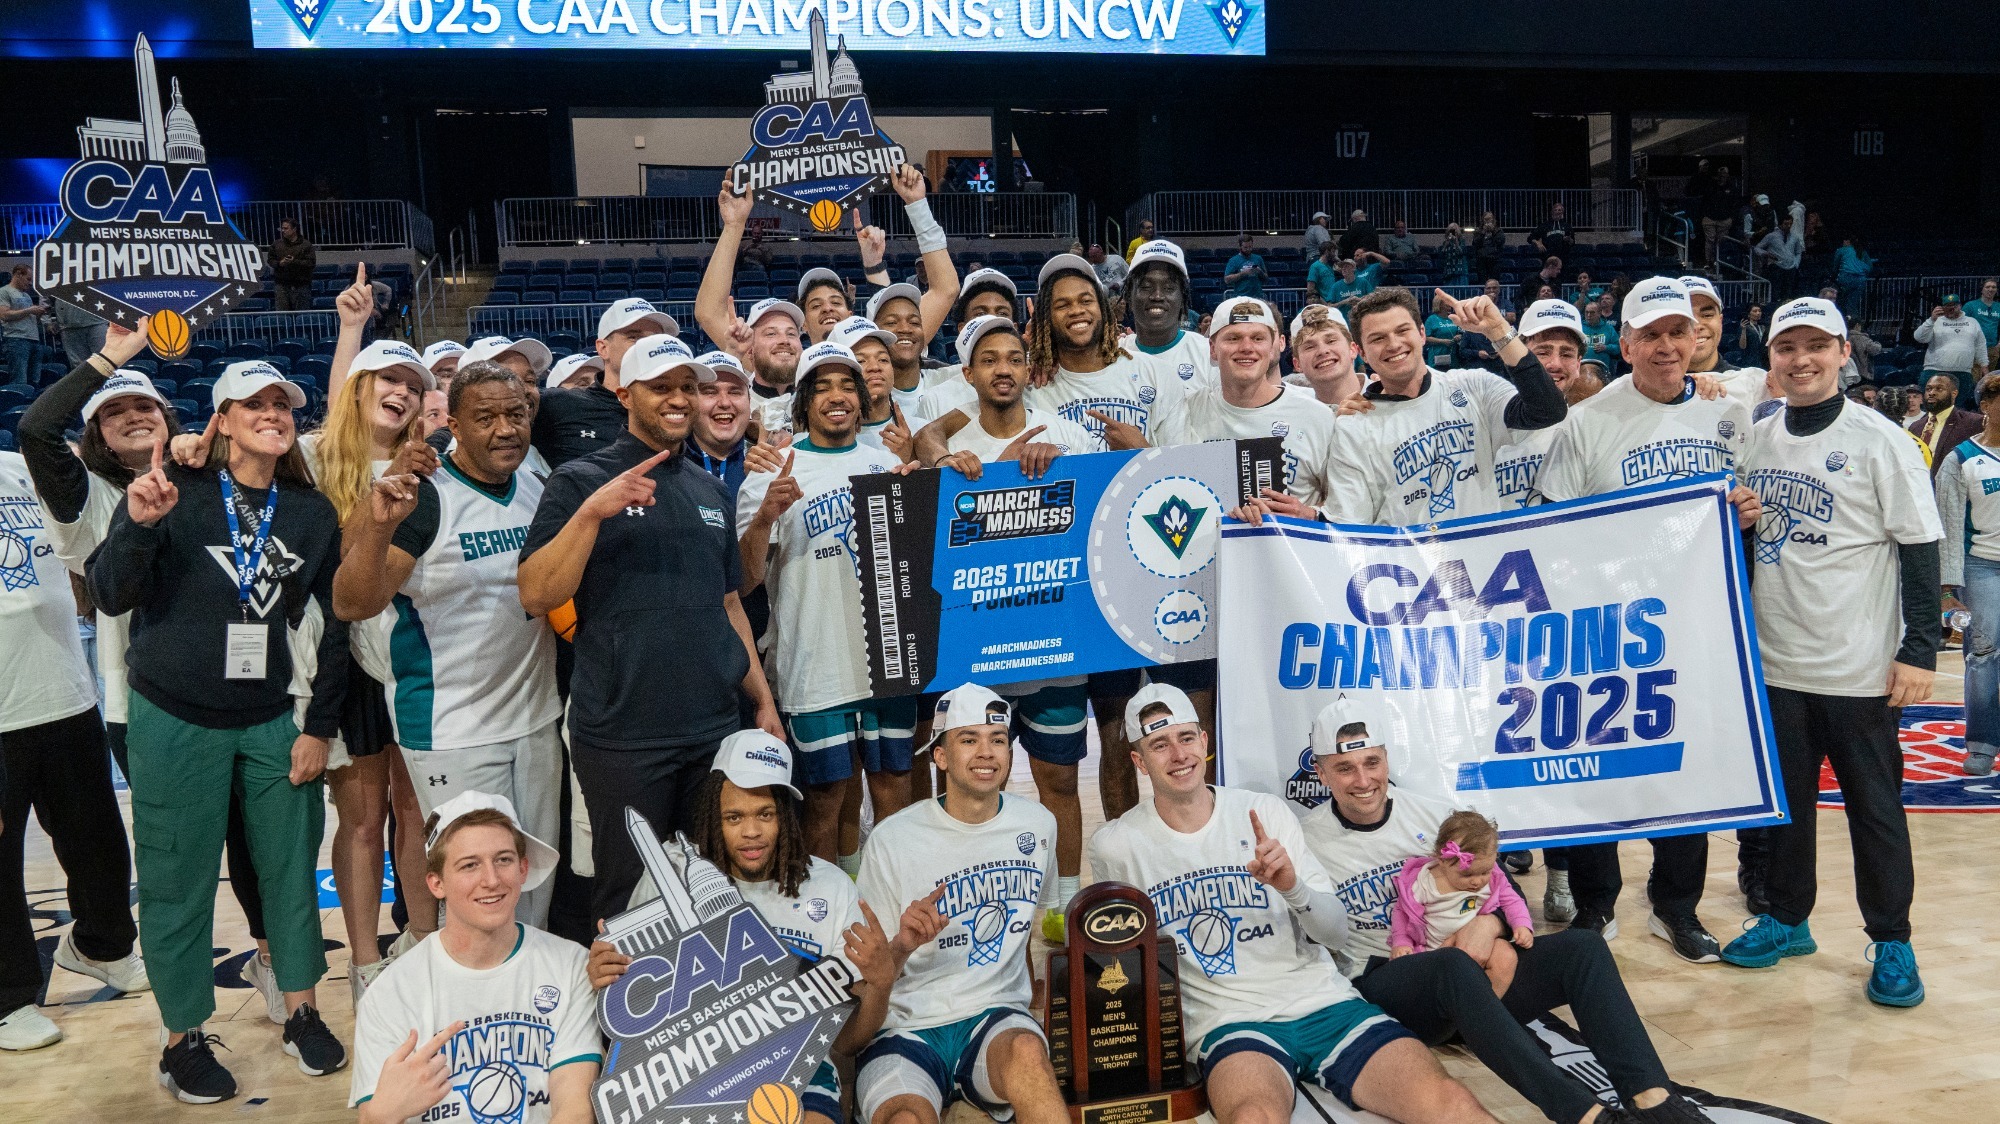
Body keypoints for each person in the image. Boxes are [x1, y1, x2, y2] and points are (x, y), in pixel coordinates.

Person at [87, 359, 349, 1101]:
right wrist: (138, 526)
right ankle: (182, 1040)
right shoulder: (174, 489)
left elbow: (336, 628)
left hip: (271, 718)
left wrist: (318, 725)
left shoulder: (310, 511)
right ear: (221, 420)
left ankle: (302, 1012)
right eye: (253, 403)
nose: (272, 412)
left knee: (291, 873)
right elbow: (109, 593)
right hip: (172, 715)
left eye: (282, 403)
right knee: (177, 882)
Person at [1089, 685, 1498, 1124]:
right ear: (1138, 761)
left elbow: (1336, 934)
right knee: (1252, 1117)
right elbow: (1124, 969)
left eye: (1187, 738)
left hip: (1327, 1004)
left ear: (1204, 742)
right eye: (1159, 744)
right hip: (1231, 1024)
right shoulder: (1115, 846)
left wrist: (1292, 887)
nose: (1178, 754)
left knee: (1452, 1103)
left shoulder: (1265, 811)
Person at [1299, 698, 1717, 1124]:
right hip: (1388, 984)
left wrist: (1491, 922)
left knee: (1583, 948)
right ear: (1320, 771)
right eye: (1345, 768)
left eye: (1372, 762)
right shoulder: (1306, 838)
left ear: (1387, 759)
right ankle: (1586, 1116)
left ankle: (1655, 1099)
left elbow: (1503, 887)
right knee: (1452, 965)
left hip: (1479, 979)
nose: (1363, 779)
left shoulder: (1431, 814)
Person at [1531, 276, 1760, 963]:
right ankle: (1597, 902)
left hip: (1699, 626)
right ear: (1624, 342)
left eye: (1677, 332)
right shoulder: (1591, 420)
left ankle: (1675, 906)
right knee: (1602, 767)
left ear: (1697, 339)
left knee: (1686, 768)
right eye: (1650, 335)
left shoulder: (1730, 414)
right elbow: (1549, 522)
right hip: (1613, 628)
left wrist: (1746, 514)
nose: (1665, 346)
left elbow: (1748, 507)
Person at [518, 334, 781, 924]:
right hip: (623, 733)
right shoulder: (580, 481)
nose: (680, 399)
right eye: (661, 387)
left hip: (711, 726)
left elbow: (729, 603)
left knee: (713, 887)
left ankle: (707, 1011)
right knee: (629, 895)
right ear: (623, 393)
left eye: (688, 387)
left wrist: (761, 701)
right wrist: (591, 514)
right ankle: (619, 1018)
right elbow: (537, 593)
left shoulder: (710, 490)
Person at [1728, 297, 1939, 1009]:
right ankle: (1788, 921)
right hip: (1776, 660)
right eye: (1787, 348)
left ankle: (1892, 938)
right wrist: (1746, 528)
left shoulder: (1881, 439)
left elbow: (1918, 548)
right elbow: (1757, 544)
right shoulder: (1758, 436)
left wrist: (1919, 649)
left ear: (1845, 354)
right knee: (1786, 809)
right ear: (1772, 359)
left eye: (1817, 346)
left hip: (1859, 668)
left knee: (1874, 811)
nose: (1801, 360)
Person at [331, 361, 563, 932]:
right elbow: (352, 603)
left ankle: (526, 1009)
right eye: (485, 418)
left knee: (534, 885)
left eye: (515, 414)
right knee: (479, 895)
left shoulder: (538, 483)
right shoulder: (427, 499)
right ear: (452, 425)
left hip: (536, 718)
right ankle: (469, 1011)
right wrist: (380, 526)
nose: (505, 429)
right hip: (451, 725)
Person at [587, 732, 900, 1124]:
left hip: (800, 1070)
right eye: (734, 817)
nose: (750, 832)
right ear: (712, 818)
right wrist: (606, 979)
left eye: (764, 814)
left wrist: (881, 984)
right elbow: (633, 1023)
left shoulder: (832, 887)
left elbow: (845, 1043)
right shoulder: (666, 882)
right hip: (693, 1076)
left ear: (784, 815)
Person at [919, 317, 1099, 920]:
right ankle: (961, 900)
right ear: (967, 373)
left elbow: (1102, 508)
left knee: (1061, 786)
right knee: (965, 790)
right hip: (976, 656)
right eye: (988, 359)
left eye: (1013, 358)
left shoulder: (1067, 435)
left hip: (1053, 650)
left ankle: (1065, 908)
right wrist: (944, 464)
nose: (1002, 368)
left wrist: (1062, 467)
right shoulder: (951, 447)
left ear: (1029, 368)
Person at [853, 683, 1066, 1124]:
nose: (986, 753)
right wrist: (904, 944)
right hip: (905, 1027)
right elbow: (864, 980)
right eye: (968, 740)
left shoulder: (1039, 826)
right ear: (941, 756)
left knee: (1029, 1054)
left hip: (994, 1021)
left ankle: (979, 1098)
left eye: (998, 740)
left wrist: (1026, 1003)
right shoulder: (892, 840)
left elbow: (1021, 933)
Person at [0, 436, 150, 1053]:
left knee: (97, 843)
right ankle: (8, 998)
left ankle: (101, 946)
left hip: (64, 691)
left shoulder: (20, 467)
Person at [737, 341, 910, 867]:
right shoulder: (772, 471)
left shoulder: (889, 464)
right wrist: (766, 515)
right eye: (822, 387)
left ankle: (883, 905)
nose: (837, 397)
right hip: (814, 668)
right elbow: (743, 582)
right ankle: (826, 920)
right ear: (804, 402)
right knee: (823, 804)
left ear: (862, 398)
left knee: (893, 798)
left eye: (847, 386)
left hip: (889, 661)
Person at [349, 792, 599, 1124]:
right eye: (470, 865)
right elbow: (373, 1118)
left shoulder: (570, 966)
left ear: (523, 869)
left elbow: (575, 1111)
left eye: (504, 860)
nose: (491, 880)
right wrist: (383, 1114)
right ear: (436, 883)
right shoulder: (389, 994)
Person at [1323, 287, 1567, 526]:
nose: (1394, 344)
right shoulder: (1354, 426)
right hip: (1407, 565)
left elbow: (1548, 411)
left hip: (1485, 560)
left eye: (1402, 331)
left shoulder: (1475, 386)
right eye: (1378, 338)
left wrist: (1499, 331)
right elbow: (1350, 528)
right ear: (1363, 353)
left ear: (1421, 333)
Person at [1388, 813, 1533, 999]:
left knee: (1506, 956)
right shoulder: (1423, 882)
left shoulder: (1494, 878)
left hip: (1484, 946)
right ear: (1442, 860)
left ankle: (1487, 1006)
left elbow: (1512, 900)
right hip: (1434, 951)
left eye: (1485, 872)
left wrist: (1521, 925)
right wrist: (1402, 942)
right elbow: (1402, 913)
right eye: (1467, 875)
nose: (1477, 881)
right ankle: (1458, 1010)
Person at [1936, 376, 2000, 777]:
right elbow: (1945, 526)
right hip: (1982, 566)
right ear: (1987, 405)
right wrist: (1946, 589)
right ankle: (1982, 744)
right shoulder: (1960, 459)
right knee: (1984, 654)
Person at [533, 297, 681, 468]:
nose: (648, 348)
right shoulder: (558, 404)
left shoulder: (677, 410)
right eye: (634, 337)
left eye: (655, 341)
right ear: (603, 348)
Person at [1490, 300, 1598, 517]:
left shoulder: (1592, 432)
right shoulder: (1488, 420)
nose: (1554, 364)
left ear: (1578, 365)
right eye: (1543, 352)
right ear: (1514, 354)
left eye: (1566, 354)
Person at [1123, 239, 1214, 400]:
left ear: (1182, 297)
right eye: (1145, 286)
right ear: (1129, 295)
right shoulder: (1112, 355)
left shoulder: (1208, 355)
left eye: (1169, 288)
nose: (1157, 296)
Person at [686, 349, 755, 496]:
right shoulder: (667, 461)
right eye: (710, 391)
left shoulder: (767, 464)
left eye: (735, 392)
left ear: (749, 401)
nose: (724, 403)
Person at [1914, 293, 1988, 410]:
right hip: (1934, 371)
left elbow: (1980, 345)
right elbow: (1919, 338)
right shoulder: (1934, 321)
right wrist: (1931, 320)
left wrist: (1984, 366)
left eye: (1954, 305)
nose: (1951, 308)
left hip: (1962, 372)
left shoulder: (1972, 322)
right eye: (1948, 305)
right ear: (1942, 307)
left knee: (1957, 409)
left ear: (1960, 306)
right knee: (1931, 407)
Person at [1909, 372, 1982, 477]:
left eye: (1939, 389)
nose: (1932, 393)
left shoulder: (1972, 422)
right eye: (1928, 389)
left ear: (1954, 393)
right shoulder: (1915, 427)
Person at [1288, 304, 1362, 406]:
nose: (1322, 351)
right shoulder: (1295, 413)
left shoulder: (1388, 395)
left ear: (1353, 349)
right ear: (1297, 364)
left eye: (1331, 341)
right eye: (1309, 347)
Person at [1, 264, 47, 387]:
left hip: (33, 339)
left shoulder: (26, 296)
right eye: (28, 279)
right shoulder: (4, 291)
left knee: (35, 380)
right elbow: (4, 315)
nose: (30, 283)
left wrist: (38, 313)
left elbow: (29, 317)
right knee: (19, 380)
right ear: (18, 274)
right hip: (16, 339)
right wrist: (30, 310)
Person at [1754, 208, 1804, 301]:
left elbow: (1798, 252)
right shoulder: (1771, 236)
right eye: (1786, 224)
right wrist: (1766, 253)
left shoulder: (1795, 237)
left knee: (1788, 293)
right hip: (1776, 266)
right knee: (1775, 292)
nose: (1788, 226)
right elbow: (1757, 248)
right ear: (1781, 224)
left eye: (1790, 224)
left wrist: (1796, 263)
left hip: (1790, 267)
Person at [269, 218, 316, 312]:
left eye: (286, 228)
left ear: (294, 229)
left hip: (301, 285)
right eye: (282, 228)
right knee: (282, 316)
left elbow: (311, 263)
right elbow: (270, 260)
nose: (283, 231)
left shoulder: (306, 245)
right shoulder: (276, 244)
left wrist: (294, 261)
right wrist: (279, 263)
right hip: (281, 285)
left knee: (302, 315)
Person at [1697, 167, 1741, 268]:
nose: (1722, 177)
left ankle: (1719, 260)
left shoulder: (1732, 188)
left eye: (1724, 175)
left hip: (1725, 220)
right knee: (1710, 240)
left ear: (1727, 176)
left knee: (1721, 241)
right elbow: (1704, 201)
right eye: (1720, 175)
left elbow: (1736, 204)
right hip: (1710, 218)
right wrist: (1704, 215)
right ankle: (1708, 261)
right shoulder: (1711, 186)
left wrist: (1731, 218)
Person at [54, 301, 107, 368]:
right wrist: (47, 320)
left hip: (97, 320)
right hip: (69, 325)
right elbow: (44, 293)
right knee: (79, 366)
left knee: (104, 361)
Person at [1832, 238, 1874, 321]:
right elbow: (1870, 267)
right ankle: (1855, 324)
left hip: (1845, 278)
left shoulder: (1842, 250)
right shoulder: (1862, 251)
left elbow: (1835, 267)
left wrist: (1833, 277)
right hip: (1861, 280)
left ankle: (1841, 321)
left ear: (1847, 241)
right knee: (1852, 304)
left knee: (1841, 302)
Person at [1967, 278, 2000, 373]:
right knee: (1975, 379)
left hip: (1992, 348)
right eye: (1988, 287)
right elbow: (1962, 323)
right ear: (1982, 289)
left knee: (1989, 380)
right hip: (1974, 347)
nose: (1991, 289)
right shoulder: (1971, 306)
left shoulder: (1998, 306)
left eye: (1994, 287)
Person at [1579, 300, 1619, 372]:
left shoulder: (1608, 329)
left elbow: (1618, 348)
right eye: (1586, 312)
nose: (1588, 315)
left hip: (1602, 369)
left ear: (1599, 313)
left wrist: (1606, 347)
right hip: (1581, 368)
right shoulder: (1579, 327)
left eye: (1592, 313)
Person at [1422, 302, 1459, 370]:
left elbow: (1460, 332)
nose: (1450, 305)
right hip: (1437, 357)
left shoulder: (1452, 318)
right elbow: (1426, 338)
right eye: (1447, 304)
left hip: (1453, 357)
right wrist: (1442, 341)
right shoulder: (1431, 319)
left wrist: (1459, 336)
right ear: (1440, 305)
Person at [1470, 214, 1506, 285]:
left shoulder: (1498, 231)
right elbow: (1475, 243)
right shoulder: (1478, 231)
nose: (1487, 221)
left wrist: (1493, 232)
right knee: (1482, 282)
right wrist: (1483, 233)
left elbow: (1500, 242)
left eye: (1489, 219)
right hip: (1482, 260)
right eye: (1485, 219)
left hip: (1494, 259)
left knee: (1494, 281)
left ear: (1493, 220)